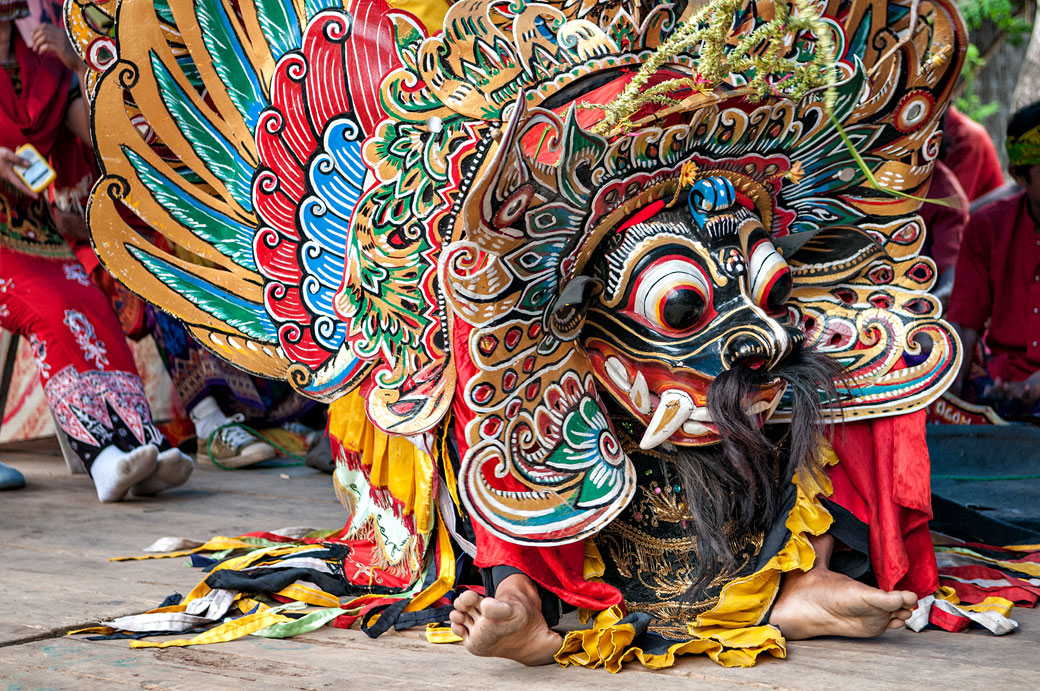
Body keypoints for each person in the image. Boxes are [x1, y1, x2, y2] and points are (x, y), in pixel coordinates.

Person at [0, 4, 191, 500]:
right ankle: (101, 458)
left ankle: (139, 445)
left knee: (95, 310)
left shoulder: (40, 69)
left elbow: (106, 137)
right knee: (54, 314)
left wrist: (79, 64)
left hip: (40, 234)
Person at [947, 100, 1040, 419]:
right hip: (1002, 387)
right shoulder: (986, 229)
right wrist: (953, 406)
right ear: (1019, 175)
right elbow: (964, 324)